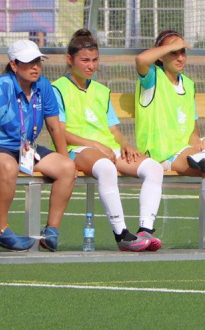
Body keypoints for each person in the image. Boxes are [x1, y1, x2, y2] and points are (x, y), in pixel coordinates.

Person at [134, 30, 205, 252]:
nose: (180, 58)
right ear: (161, 55)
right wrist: (169, 46)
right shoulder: (152, 78)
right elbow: (141, 59)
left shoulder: (188, 83)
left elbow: (192, 123)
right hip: (163, 153)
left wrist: (197, 139)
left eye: (182, 52)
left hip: (189, 149)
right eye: (173, 52)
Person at [53, 29, 162, 252]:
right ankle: (121, 234)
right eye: (84, 60)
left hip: (107, 148)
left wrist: (125, 144)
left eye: (94, 60)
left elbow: (113, 129)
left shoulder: (102, 91)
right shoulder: (57, 89)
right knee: (105, 168)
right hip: (79, 149)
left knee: (153, 168)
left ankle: (145, 232)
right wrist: (95, 145)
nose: (91, 66)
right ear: (69, 60)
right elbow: (60, 132)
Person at [0, 40, 76, 252]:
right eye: (28, 62)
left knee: (67, 168)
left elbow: (55, 128)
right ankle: (0, 230)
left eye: (37, 61)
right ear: (14, 65)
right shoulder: (3, 85)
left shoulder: (44, 86)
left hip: (25, 148)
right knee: (8, 166)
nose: (35, 67)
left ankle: (51, 231)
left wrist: (65, 159)